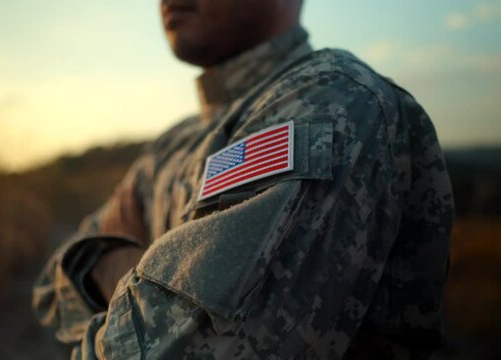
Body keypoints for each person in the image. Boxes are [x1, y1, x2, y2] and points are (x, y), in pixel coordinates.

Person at [33, 0, 455, 358]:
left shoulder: (328, 101)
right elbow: (50, 292)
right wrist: (146, 295)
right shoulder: (169, 145)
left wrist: (112, 264)